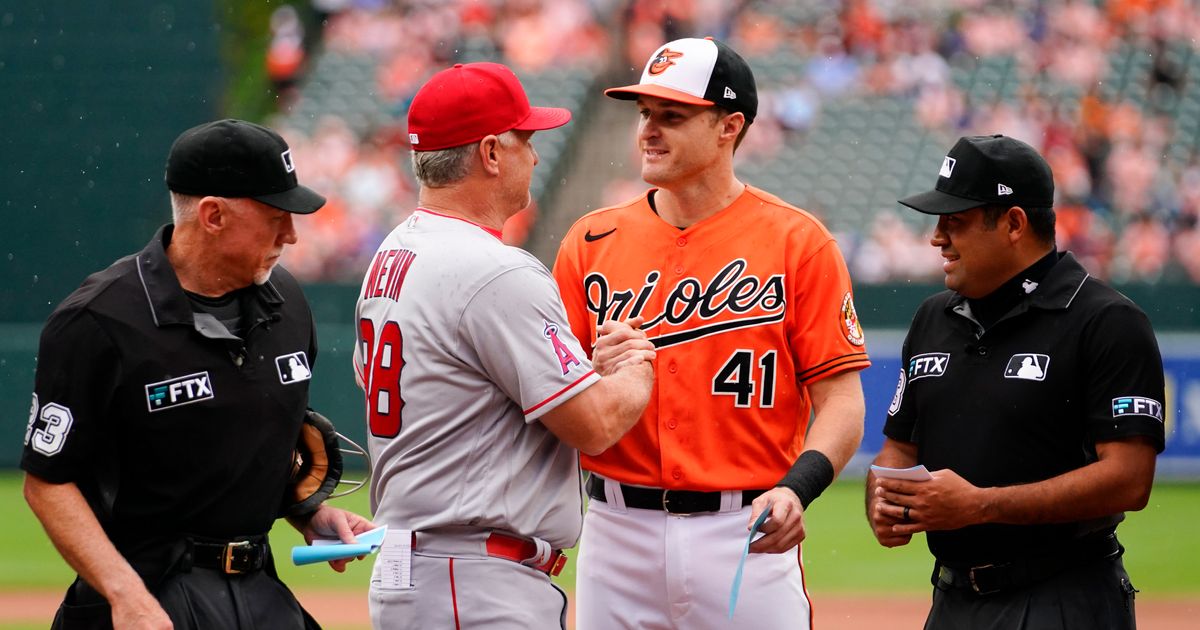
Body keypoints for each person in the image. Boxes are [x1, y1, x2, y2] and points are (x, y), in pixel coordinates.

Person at [553, 37, 871, 629]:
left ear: (729, 126)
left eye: (672, 116)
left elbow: (842, 402)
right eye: (645, 113)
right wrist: (591, 378)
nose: (648, 130)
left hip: (746, 529)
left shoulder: (797, 243)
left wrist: (799, 488)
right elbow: (556, 399)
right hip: (615, 531)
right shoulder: (590, 241)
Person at [21, 119, 376, 630]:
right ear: (212, 215)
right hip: (150, 590)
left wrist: (308, 514)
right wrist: (125, 595)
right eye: (277, 215)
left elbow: (254, 444)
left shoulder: (288, 305)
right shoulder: (99, 319)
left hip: (259, 588)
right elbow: (47, 482)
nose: (292, 235)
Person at [354, 62, 655, 630]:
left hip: (422, 565)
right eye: (527, 139)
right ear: (491, 153)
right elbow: (592, 424)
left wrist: (571, 374)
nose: (536, 156)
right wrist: (636, 368)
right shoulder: (492, 269)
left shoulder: (393, 251)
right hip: (472, 579)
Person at [867, 134, 1165, 629]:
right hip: (952, 601)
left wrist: (980, 506)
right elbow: (899, 449)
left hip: (1064, 598)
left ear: (1013, 223)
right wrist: (885, 499)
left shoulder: (1106, 320)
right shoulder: (932, 317)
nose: (937, 237)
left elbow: (1130, 480)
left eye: (955, 222)